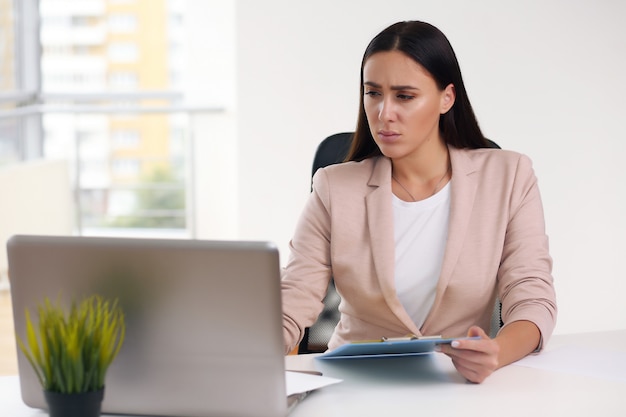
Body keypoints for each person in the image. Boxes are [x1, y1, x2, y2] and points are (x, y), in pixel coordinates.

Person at [281, 20, 556, 383]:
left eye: (405, 96)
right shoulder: (334, 186)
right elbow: (295, 296)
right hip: (352, 384)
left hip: (455, 382)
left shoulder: (508, 176)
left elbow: (532, 296)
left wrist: (496, 353)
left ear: (447, 98)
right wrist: (245, 353)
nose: (383, 113)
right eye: (373, 93)